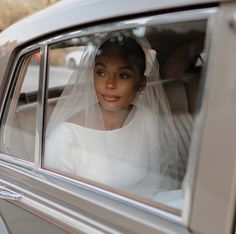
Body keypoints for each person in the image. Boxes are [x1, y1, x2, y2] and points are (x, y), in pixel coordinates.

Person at [44, 32, 180, 199]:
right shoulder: (65, 136)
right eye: (101, 73)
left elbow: (154, 179)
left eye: (123, 75)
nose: (110, 84)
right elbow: (59, 202)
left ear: (141, 84)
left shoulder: (146, 119)